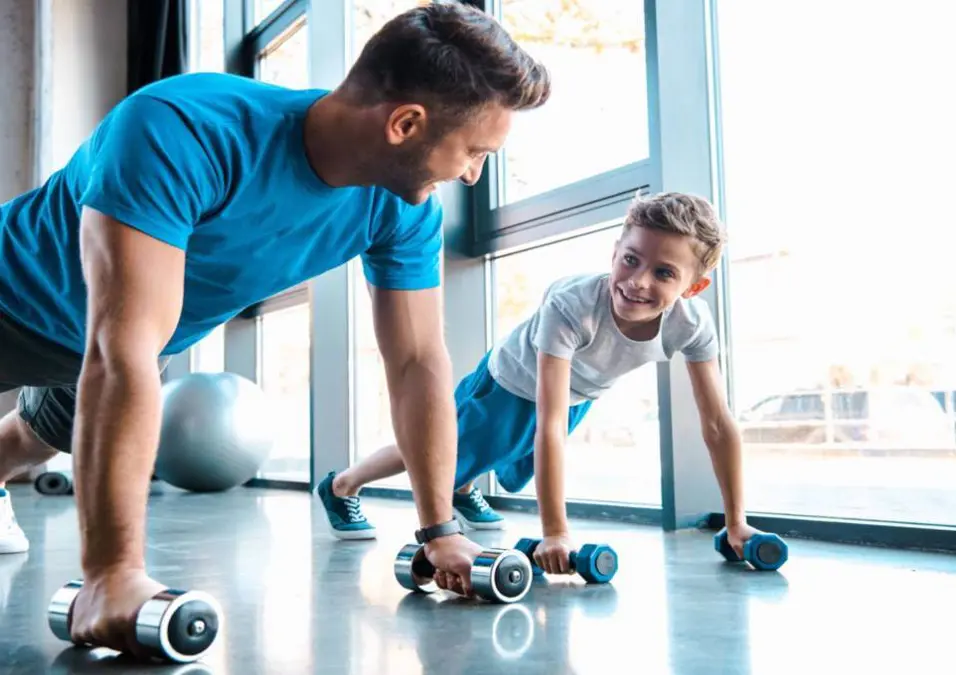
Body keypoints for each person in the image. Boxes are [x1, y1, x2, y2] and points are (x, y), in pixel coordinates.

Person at [0, 2, 549, 655]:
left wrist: (440, 531)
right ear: (405, 124)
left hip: (113, 349)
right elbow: (120, 348)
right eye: (475, 152)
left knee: (31, 441)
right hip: (18, 304)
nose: (473, 173)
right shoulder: (186, 126)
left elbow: (418, 364)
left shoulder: (401, 210)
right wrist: (110, 576)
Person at [320, 191, 765, 571]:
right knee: (434, 449)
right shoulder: (572, 305)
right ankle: (343, 485)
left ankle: (462, 484)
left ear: (693, 287)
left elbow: (717, 423)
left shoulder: (692, 324)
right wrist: (555, 533)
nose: (637, 281)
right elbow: (547, 423)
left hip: (577, 397)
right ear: (615, 253)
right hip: (507, 385)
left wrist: (736, 521)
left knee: (499, 461)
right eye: (631, 260)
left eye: (664, 273)